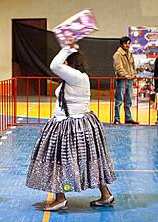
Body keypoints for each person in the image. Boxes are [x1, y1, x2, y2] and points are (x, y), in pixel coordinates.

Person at [26, 39, 116, 211]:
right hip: (77, 124)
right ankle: (105, 194)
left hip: (71, 126)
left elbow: (54, 65)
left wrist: (67, 48)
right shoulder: (76, 78)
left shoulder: (76, 77)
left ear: (70, 62)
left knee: (59, 161)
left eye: (66, 61)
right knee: (91, 160)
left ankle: (60, 198)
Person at [113, 36, 139, 124]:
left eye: (128, 43)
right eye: (125, 43)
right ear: (121, 44)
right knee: (119, 100)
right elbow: (118, 68)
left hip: (130, 80)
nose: (127, 45)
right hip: (122, 80)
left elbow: (133, 66)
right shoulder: (117, 55)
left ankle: (128, 118)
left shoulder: (130, 53)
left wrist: (134, 74)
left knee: (128, 100)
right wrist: (126, 75)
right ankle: (117, 119)